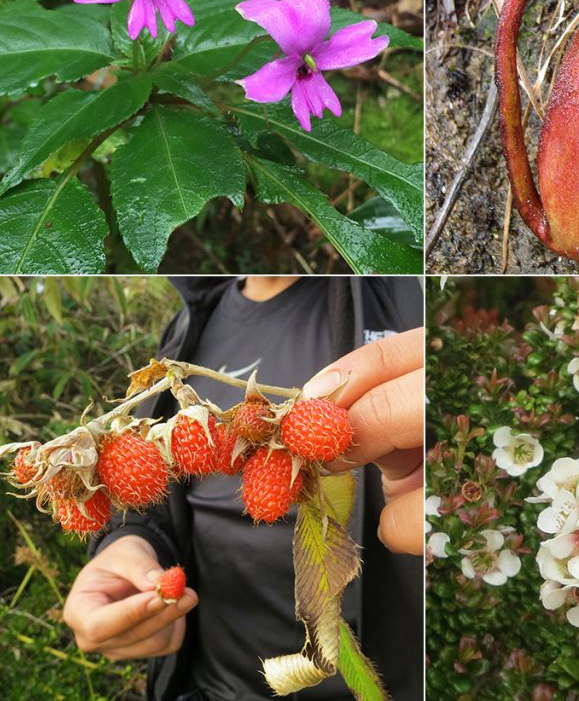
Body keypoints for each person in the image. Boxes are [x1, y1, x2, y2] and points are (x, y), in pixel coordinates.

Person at [61, 277, 423, 701]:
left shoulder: (402, 295)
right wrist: (129, 543)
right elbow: (158, 494)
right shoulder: (187, 326)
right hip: (210, 687)